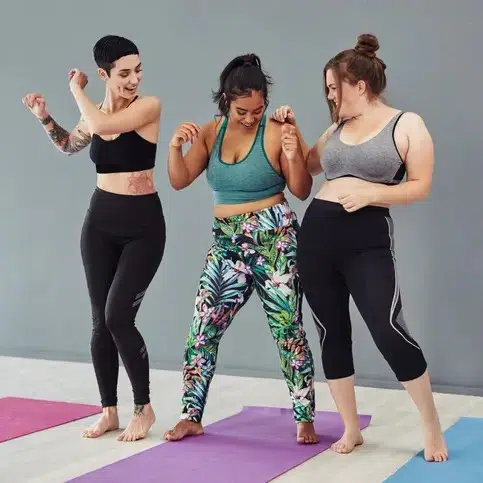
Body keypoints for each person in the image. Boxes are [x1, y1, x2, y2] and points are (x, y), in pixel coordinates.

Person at [273, 33, 449, 462]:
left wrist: (372, 194)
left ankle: (431, 425)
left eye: (334, 87)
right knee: (331, 332)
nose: (331, 96)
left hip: (367, 240)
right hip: (317, 237)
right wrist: (292, 133)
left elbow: (421, 186)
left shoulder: (406, 124)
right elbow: (308, 170)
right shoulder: (336, 128)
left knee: (388, 327)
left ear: (360, 85)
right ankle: (351, 428)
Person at [164, 53, 317, 444]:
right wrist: (174, 147)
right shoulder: (210, 132)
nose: (250, 118)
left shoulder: (277, 129)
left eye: (257, 110)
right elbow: (179, 180)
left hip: (274, 238)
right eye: (241, 111)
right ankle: (190, 415)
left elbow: (301, 190)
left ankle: (304, 418)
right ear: (225, 101)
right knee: (202, 328)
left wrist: (293, 153)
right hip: (227, 242)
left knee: (287, 329)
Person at [21, 35, 165, 442]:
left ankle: (144, 407)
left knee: (119, 316)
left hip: (143, 227)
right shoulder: (95, 113)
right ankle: (109, 411)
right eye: (124, 73)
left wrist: (75, 90)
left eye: (138, 71)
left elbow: (100, 126)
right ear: (105, 74)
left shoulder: (148, 107)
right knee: (100, 321)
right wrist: (44, 117)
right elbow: (70, 144)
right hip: (99, 224)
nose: (134, 79)